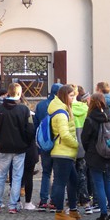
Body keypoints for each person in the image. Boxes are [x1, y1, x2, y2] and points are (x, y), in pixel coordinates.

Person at [0, 83, 33, 214]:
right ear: (19, 94)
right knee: (17, 176)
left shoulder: (0, 109)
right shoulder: (24, 109)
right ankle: (13, 205)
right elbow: (30, 130)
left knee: (0, 176)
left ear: (8, 92)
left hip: (4, 147)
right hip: (20, 147)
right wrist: (26, 143)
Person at [81, 92, 110, 220]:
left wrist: (89, 151)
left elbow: (84, 139)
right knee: (108, 182)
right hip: (109, 154)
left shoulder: (90, 119)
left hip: (95, 155)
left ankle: (103, 213)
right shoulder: (109, 116)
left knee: (99, 184)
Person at [49, 84, 81, 220]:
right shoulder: (61, 113)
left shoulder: (63, 109)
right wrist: (76, 144)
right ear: (64, 96)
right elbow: (65, 134)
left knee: (73, 180)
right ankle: (59, 212)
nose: (73, 98)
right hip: (63, 152)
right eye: (71, 95)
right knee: (61, 183)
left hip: (65, 151)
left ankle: (72, 209)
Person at [34, 82, 62, 210]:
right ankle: (54, 201)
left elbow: (36, 126)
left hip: (44, 143)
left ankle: (43, 200)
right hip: (58, 144)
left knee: (46, 173)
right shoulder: (61, 106)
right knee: (57, 174)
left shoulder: (40, 105)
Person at [72, 87, 94, 213]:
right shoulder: (86, 109)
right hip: (83, 147)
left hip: (70, 146)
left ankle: (73, 201)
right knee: (82, 175)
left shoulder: (67, 110)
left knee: (71, 175)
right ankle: (85, 201)